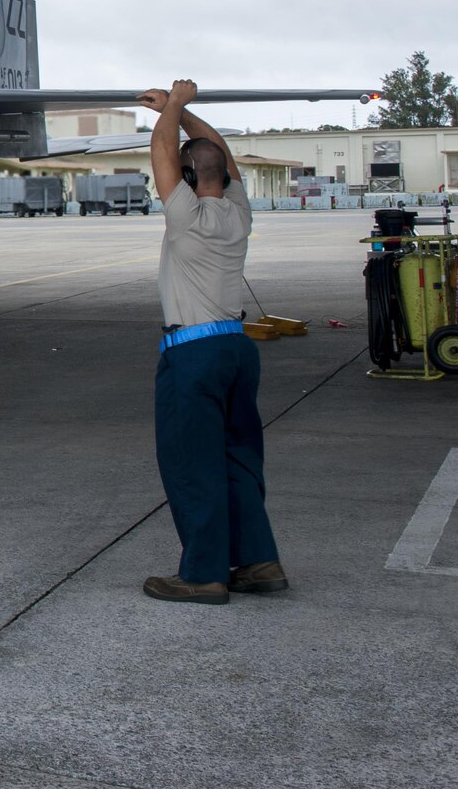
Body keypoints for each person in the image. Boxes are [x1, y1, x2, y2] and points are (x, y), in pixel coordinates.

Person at [138, 79, 288, 605]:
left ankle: (203, 572)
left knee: (192, 464)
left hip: (193, 353)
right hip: (238, 349)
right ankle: (258, 562)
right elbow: (216, 155)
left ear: (183, 177)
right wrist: (182, 113)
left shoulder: (185, 217)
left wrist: (174, 107)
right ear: (226, 175)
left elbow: (160, 152)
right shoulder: (239, 213)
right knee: (239, 459)